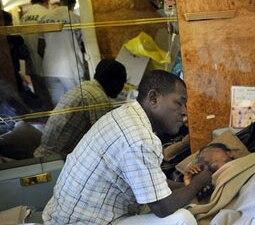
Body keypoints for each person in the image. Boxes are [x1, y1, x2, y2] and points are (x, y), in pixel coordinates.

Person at [42, 70, 213, 225]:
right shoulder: (139, 139)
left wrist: (184, 187)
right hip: (81, 222)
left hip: (63, 215)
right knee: (182, 219)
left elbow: (149, 183)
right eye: (179, 103)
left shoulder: (126, 115)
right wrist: (197, 184)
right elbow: (163, 208)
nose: (184, 111)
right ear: (153, 98)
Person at [33, 59, 127, 158]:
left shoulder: (83, 88)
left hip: (44, 155)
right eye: (122, 82)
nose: (122, 87)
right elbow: (107, 140)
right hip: (56, 160)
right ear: (114, 81)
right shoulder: (97, 97)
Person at [38, 0, 85, 106]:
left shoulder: (44, 19)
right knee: (77, 102)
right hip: (70, 69)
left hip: (50, 69)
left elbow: (40, 48)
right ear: (73, 4)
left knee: (58, 106)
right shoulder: (75, 18)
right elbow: (83, 44)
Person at [21, 0, 53, 110]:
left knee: (42, 98)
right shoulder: (47, 15)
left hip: (31, 64)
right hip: (47, 64)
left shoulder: (24, 18)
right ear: (46, 1)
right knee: (54, 97)